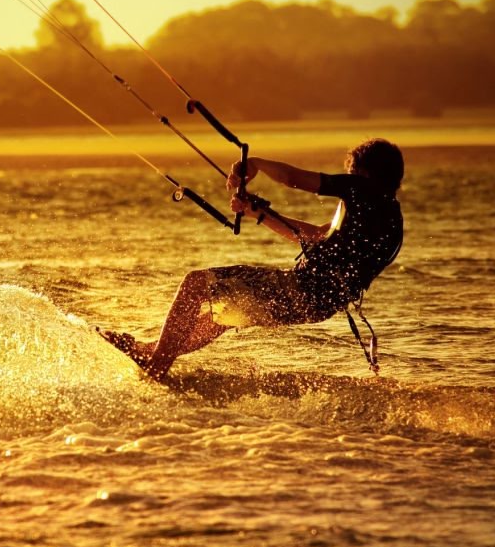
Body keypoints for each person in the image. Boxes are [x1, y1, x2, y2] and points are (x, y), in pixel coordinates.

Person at [99, 138, 404, 381]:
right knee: (224, 314)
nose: (348, 180)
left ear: (364, 173)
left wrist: (254, 164)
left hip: (298, 289)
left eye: (351, 173)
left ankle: (156, 366)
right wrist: (257, 212)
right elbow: (314, 235)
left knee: (195, 283)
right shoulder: (391, 219)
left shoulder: (362, 190)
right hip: (319, 305)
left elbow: (292, 178)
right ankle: (148, 352)